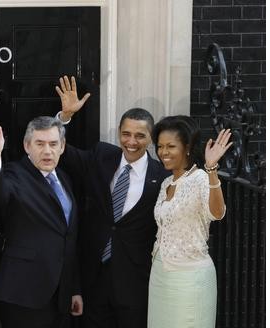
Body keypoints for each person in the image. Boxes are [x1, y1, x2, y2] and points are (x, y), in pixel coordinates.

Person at [54, 76, 169, 328]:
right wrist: (64, 118)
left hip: (135, 283)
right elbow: (60, 153)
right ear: (118, 133)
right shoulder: (101, 156)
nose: (131, 141)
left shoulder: (162, 176)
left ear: (151, 138)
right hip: (94, 279)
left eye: (140, 136)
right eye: (126, 134)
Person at [0, 116, 83, 328]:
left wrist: (74, 289)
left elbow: (68, 239)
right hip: (23, 293)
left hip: (61, 296)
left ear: (62, 147)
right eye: (40, 144)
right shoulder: (14, 174)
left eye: (53, 144)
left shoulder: (65, 178)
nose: (47, 151)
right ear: (27, 146)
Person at [148, 115, 231, 328]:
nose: (163, 152)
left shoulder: (201, 178)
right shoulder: (167, 182)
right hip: (159, 274)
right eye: (160, 146)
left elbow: (217, 213)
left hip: (189, 278)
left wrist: (212, 170)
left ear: (187, 147)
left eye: (170, 146)